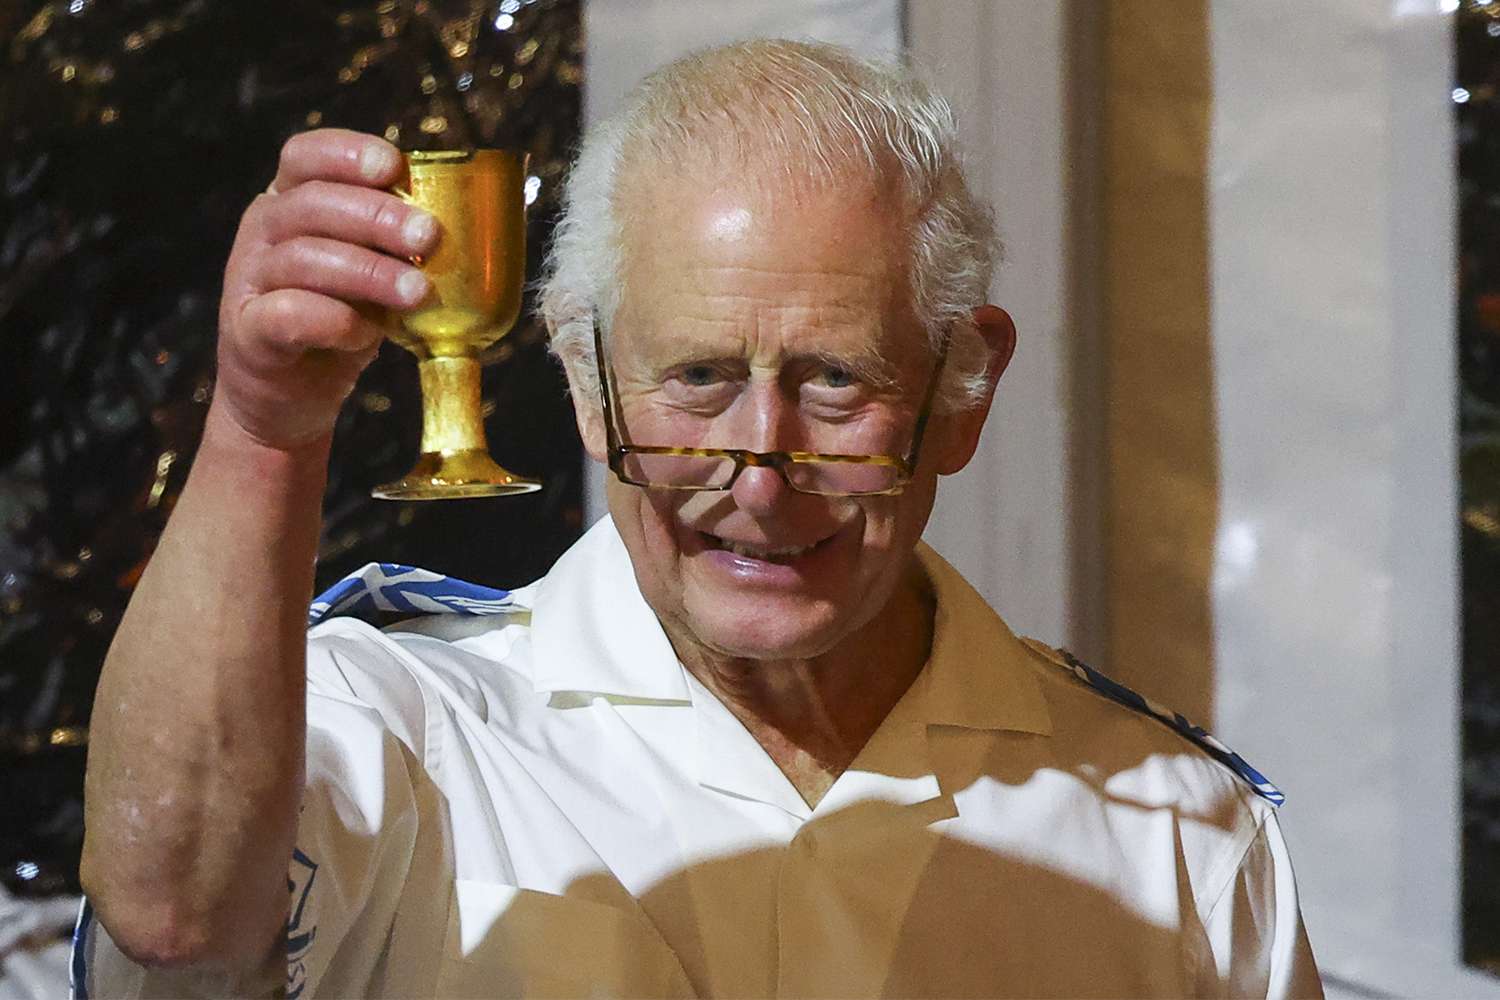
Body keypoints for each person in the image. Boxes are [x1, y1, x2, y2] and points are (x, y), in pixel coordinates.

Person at [73, 39, 1322, 998]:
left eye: (835, 379)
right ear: (579, 378)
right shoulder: (400, 732)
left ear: (962, 391)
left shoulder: (1182, 833)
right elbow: (172, 916)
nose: (758, 473)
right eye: (698, 378)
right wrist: (259, 431)